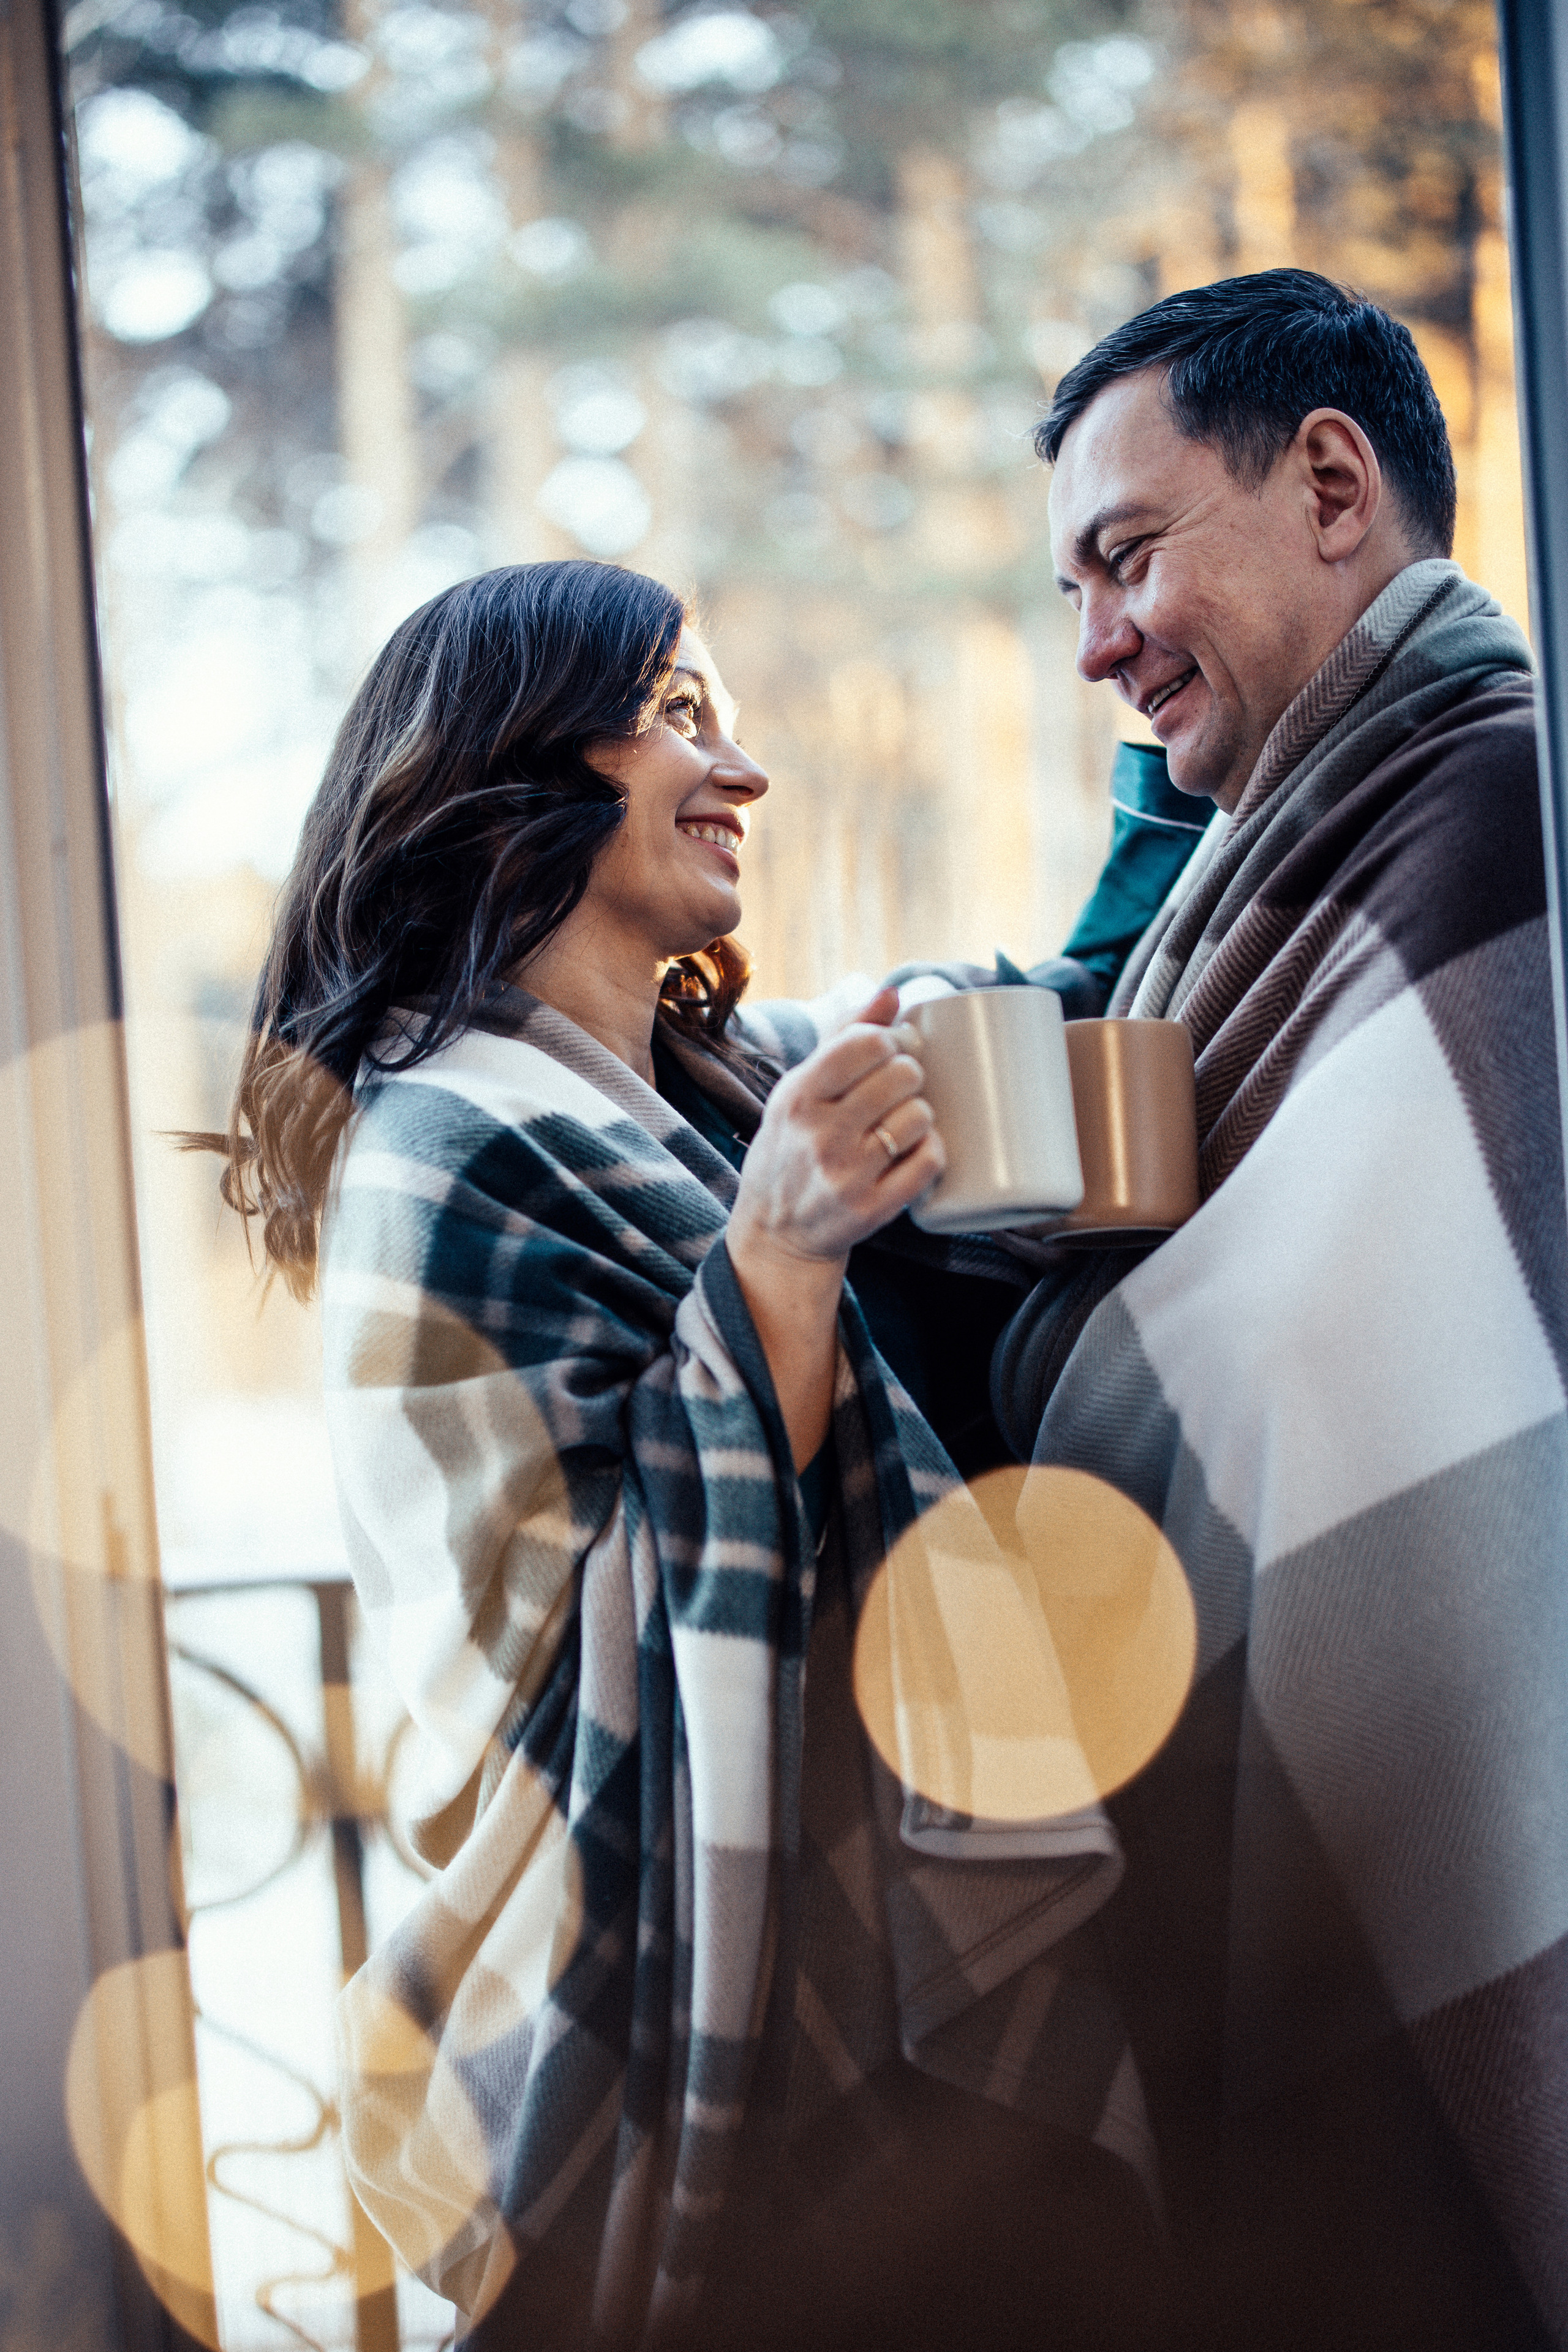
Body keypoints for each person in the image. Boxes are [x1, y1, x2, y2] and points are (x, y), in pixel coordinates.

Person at [199, 559, 1178, 2350]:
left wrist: (1172, 751)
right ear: (513, 753)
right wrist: (781, 1260)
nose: (745, 769)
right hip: (666, 1963)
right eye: (677, 714)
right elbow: (580, 1667)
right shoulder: (444, 1152)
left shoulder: (703, 1088)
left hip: (850, 1906)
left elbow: (1048, 985)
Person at [992, 268, 1568, 2350]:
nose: (1097, 644)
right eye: (1075, 590)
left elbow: (1348, 1335)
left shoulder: (1495, 808)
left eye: (1129, 556)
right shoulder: (1277, 846)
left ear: (1331, 486)